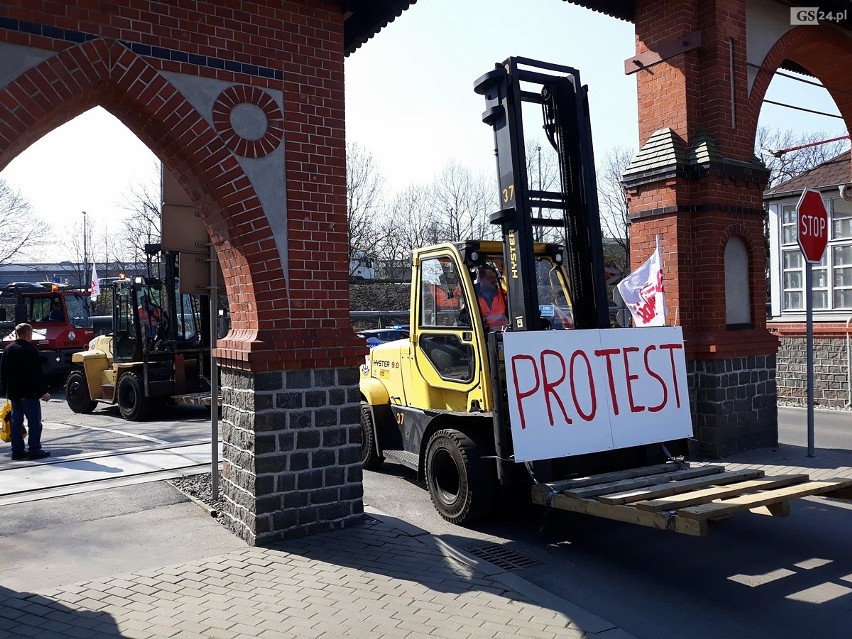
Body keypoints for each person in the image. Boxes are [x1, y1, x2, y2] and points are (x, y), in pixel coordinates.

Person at [0, 323, 50, 461]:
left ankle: (17, 451)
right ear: (28, 334)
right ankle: (34, 449)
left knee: (16, 422)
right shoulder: (30, 351)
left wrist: (6, 391)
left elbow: (3, 372)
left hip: (14, 393)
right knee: (34, 422)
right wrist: (44, 392)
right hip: (29, 393)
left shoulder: (8, 350)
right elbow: (37, 374)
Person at [474, 265, 509, 331]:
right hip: (482, 334)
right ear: (480, 279)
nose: (494, 281)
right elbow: (462, 316)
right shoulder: (472, 295)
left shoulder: (503, 294)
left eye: (495, 278)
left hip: (503, 333)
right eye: (490, 278)